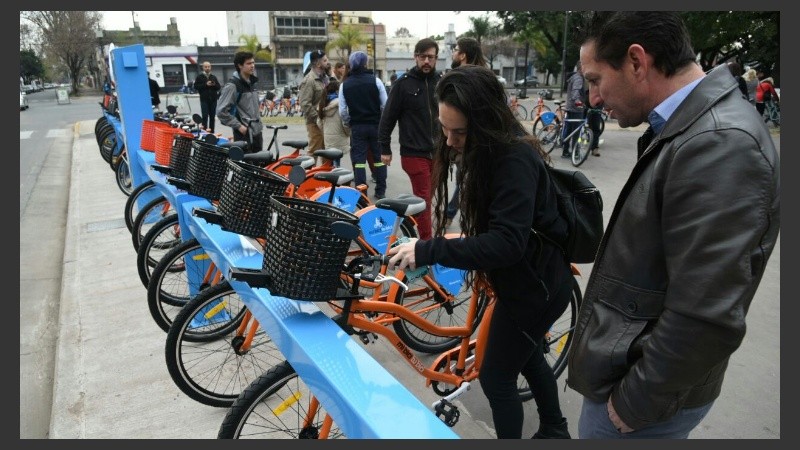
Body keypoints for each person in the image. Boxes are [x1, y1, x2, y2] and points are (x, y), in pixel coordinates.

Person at [569, 11, 780, 439]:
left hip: (643, 402)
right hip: (636, 378)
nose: (592, 98)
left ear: (636, 62)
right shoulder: (692, 129)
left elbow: (705, 316)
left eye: (595, 80)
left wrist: (633, 405)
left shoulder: (719, 142)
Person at [387, 65, 573, 439]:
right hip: (528, 280)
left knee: (496, 376)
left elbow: (506, 242)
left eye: (460, 131)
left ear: (487, 124)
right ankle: (555, 428)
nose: (450, 140)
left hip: (536, 289)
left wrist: (429, 250)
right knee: (530, 354)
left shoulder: (514, 157)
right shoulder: (490, 150)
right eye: (443, 127)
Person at [378, 38, 442, 240]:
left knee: (426, 198)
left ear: (436, 59)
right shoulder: (403, 84)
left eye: (430, 57)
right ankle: (426, 246)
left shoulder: (441, 82)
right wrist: (385, 148)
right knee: (423, 199)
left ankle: (407, 226)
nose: (426, 61)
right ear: (415, 57)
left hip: (438, 152)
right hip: (413, 153)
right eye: (422, 56)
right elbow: (387, 118)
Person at [445, 36, 488, 228]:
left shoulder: (463, 80)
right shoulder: (485, 76)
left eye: (456, 49)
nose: (453, 52)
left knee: (466, 183)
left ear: (462, 55)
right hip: (478, 144)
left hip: (472, 145)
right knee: (467, 183)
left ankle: (452, 215)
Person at [339, 51, 388, 199]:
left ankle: (362, 193)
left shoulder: (344, 85)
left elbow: (342, 111)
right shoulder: (376, 81)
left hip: (357, 127)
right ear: (365, 64)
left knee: (359, 161)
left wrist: (349, 122)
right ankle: (380, 190)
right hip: (375, 126)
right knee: (378, 159)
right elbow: (385, 105)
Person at [216, 51, 263, 152]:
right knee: (246, 165)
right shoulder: (232, 86)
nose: (252, 66)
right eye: (249, 63)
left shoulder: (253, 83)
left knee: (260, 164)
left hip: (257, 132)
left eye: (253, 63)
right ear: (240, 65)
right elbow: (221, 111)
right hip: (244, 134)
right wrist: (239, 126)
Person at [299, 49, 330, 156]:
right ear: (317, 63)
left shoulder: (325, 78)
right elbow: (305, 104)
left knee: (328, 152)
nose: (328, 62)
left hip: (326, 121)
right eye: (325, 60)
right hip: (314, 123)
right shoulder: (309, 80)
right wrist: (317, 118)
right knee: (314, 151)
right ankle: (309, 172)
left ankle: (326, 172)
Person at [317, 79, 349, 168]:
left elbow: (319, 122)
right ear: (337, 90)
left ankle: (330, 173)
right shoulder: (341, 104)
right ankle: (335, 176)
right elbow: (344, 121)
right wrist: (348, 133)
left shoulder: (323, 103)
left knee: (330, 158)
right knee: (337, 158)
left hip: (328, 137)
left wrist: (325, 131)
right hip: (340, 135)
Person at [562, 61, 586, 158]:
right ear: (581, 68)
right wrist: (579, 103)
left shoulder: (574, 77)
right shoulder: (579, 79)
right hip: (576, 109)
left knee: (568, 130)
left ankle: (565, 151)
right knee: (576, 132)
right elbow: (575, 93)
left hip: (570, 108)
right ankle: (575, 153)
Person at [194, 61, 221, 133]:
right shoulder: (199, 77)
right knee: (205, 116)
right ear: (203, 67)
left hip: (213, 100)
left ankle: (212, 132)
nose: (207, 68)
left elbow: (218, 87)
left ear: (210, 67)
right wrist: (205, 84)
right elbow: (196, 86)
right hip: (204, 100)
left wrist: (214, 84)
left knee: (212, 117)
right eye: (206, 67)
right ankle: (204, 132)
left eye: (208, 67)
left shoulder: (213, 77)